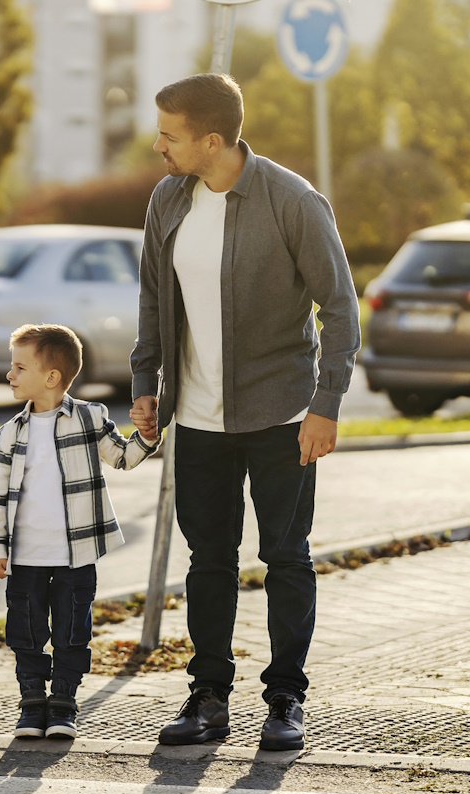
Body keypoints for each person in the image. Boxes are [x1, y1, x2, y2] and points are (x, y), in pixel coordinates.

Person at [129, 74, 361, 751]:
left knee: (286, 555)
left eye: (169, 136)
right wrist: (148, 385)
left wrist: (326, 405)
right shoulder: (167, 200)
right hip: (198, 418)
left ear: (210, 140)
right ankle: (208, 697)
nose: (157, 146)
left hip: (283, 413)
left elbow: (341, 308)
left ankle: (286, 698)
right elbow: (152, 298)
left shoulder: (292, 201)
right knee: (208, 559)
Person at [0, 324, 159, 739]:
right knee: (25, 632)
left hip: (76, 555)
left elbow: (122, 458)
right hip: (25, 555)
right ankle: (31, 703)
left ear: (51, 377)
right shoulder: (10, 433)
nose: (10, 375)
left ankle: (63, 702)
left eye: (19, 367)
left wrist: (147, 436)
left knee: (71, 631)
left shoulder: (88, 417)